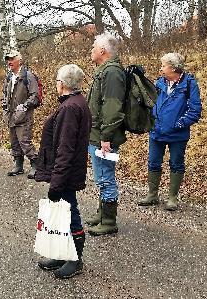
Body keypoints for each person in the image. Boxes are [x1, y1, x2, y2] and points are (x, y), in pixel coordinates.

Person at [35, 64, 91, 279]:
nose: (56, 83)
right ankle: (61, 253)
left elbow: (65, 148)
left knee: (70, 214)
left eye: (58, 80)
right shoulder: (75, 102)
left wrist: (56, 183)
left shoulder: (70, 108)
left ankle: (75, 259)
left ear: (64, 83)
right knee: (62, 215)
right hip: (68, 170)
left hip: (66, 172)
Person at [138, 53, 201, 210]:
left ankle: (172, 198)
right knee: (153, 162)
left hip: (177, 134)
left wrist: (180, 123)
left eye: (163, 65)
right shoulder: (159, 83)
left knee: (176, 164)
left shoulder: (189, 84)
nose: (161, 68)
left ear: (173, 68)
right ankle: (152, 195)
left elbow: (195, 110)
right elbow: (151, 103)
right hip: (157, 132)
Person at [86, 33, 126, 236]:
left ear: (103, 50)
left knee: (105, 177)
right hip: (97, 134)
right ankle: (103, 214)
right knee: (101, 176)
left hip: (103, 136)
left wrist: (106, 136)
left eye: (93, 46)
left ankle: (109, 221)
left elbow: (112, 107)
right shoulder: (105, 71)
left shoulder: (111, 73)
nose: (91, 50)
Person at [1, 50, 39, 179]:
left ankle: (36, 165)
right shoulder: (8, 77)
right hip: (11, 115)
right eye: (8, 59)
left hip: (24, 116)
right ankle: (18, 165)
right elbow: (4, 95)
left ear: (20, 60)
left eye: (12, 59)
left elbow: (35, 95)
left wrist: (25, 106)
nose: (9, 62)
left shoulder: (28, 76)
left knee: (25, 142)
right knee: (14, 142)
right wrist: (4, 107)